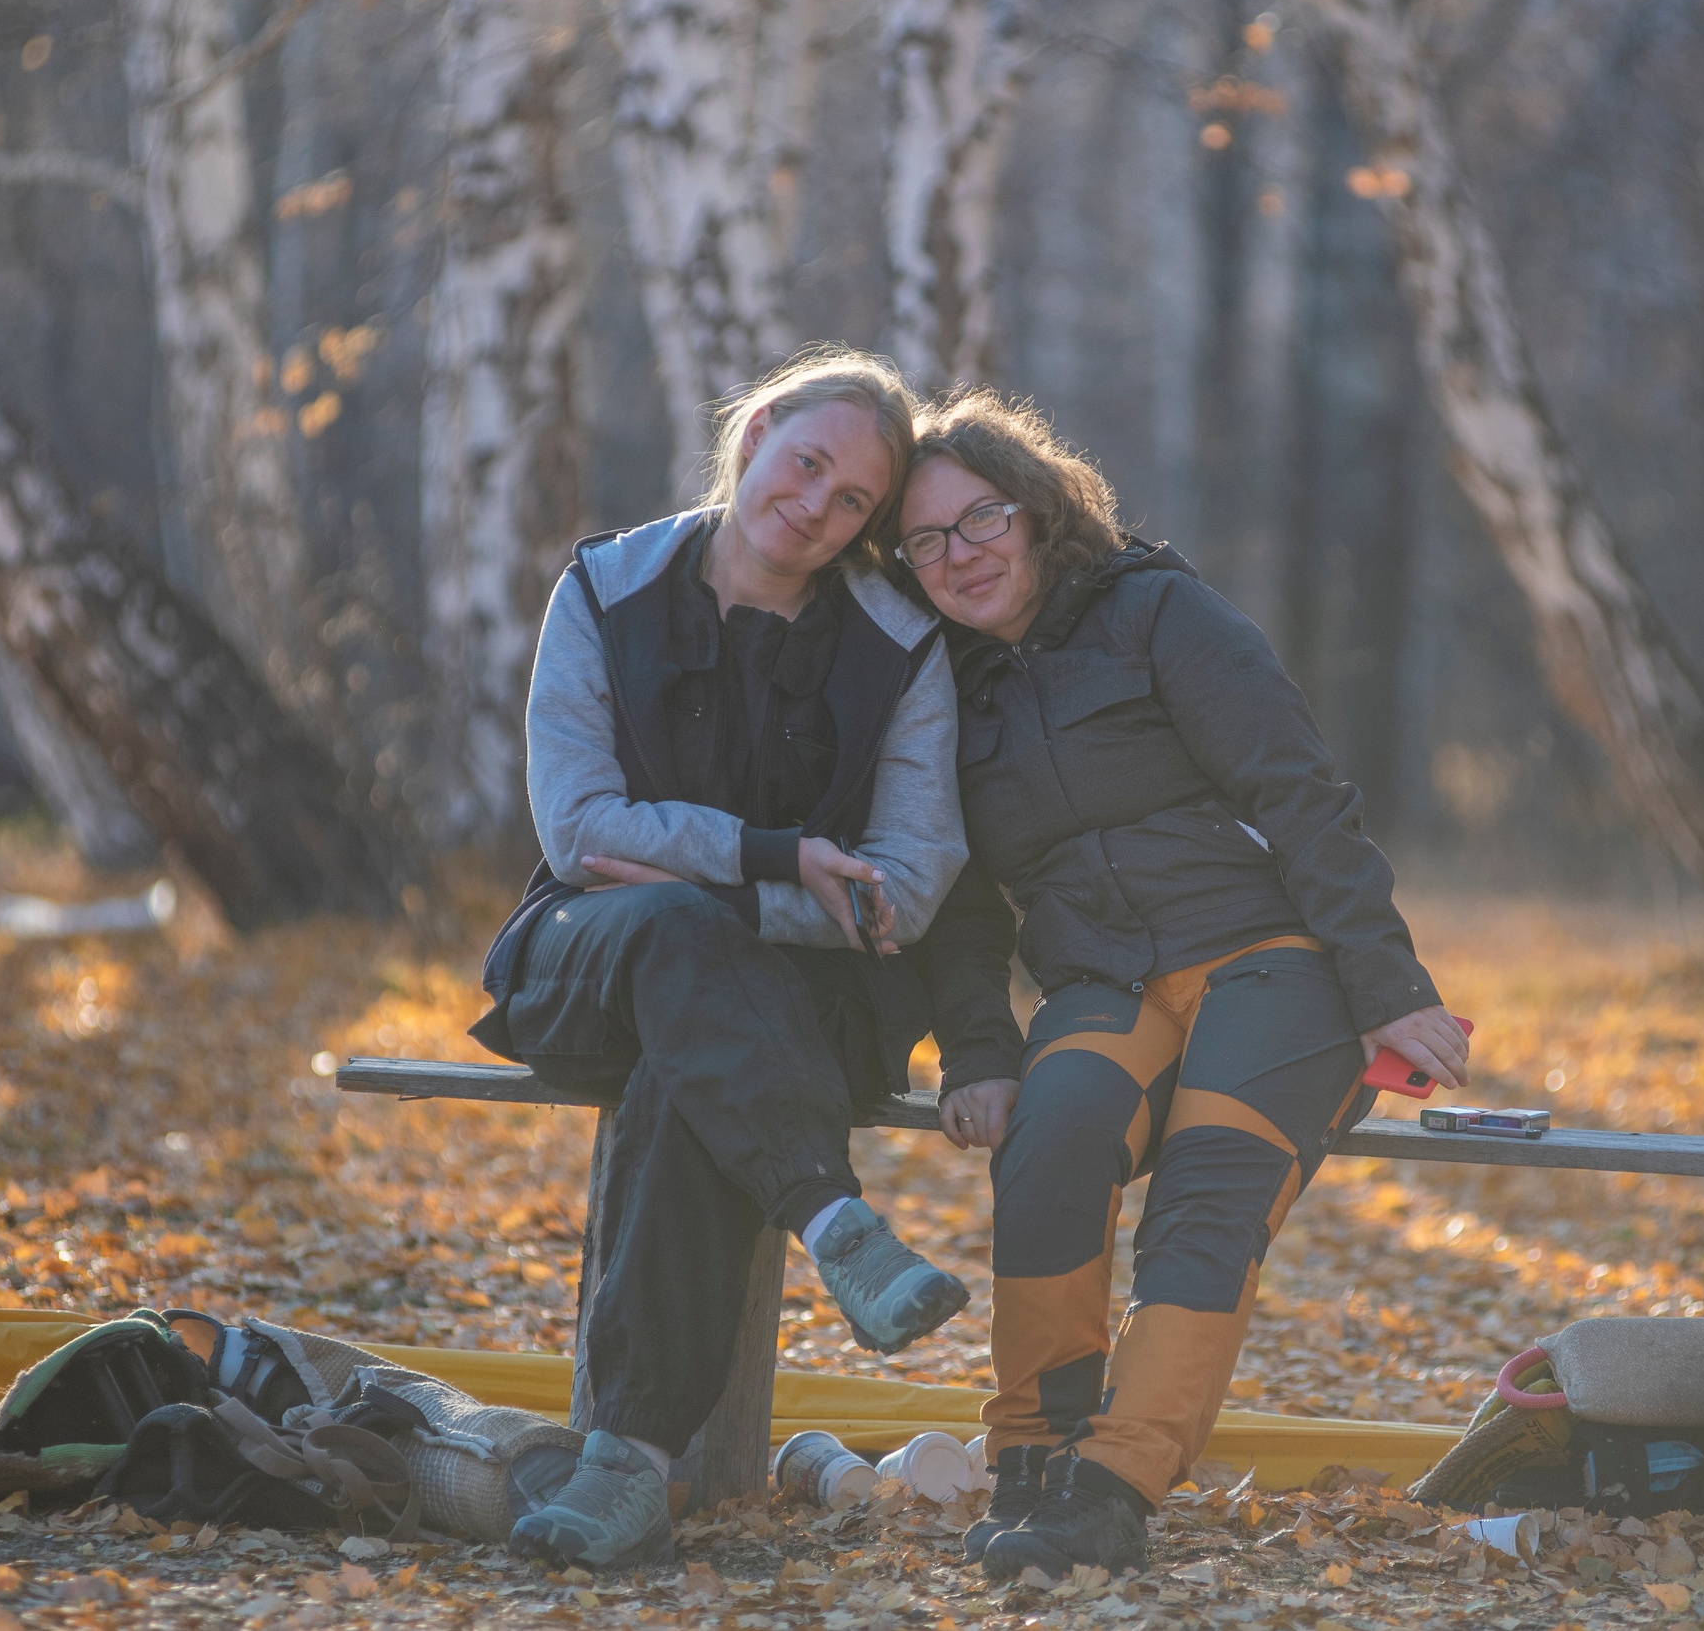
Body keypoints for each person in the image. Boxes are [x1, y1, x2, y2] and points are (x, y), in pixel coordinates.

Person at [890, 390, 1471, 1580]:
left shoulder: (1158, 611)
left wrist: (1385, 981)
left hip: (1274, 965)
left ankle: (1111, 1488)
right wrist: (981, 1054)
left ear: (1041, 509)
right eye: (927, 539)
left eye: (981, 517)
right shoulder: (942, 684)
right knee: (1048, 1145)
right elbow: (957, 903)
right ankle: (1034, 1463)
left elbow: (1298, 790)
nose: (960, 555)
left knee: (1206, 1193)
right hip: (1103, 980)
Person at [470, 350, 1018, 1570]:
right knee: (675, 945)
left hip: (799, 993)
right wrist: (775, 855)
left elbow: (913, 883)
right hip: (588, 958)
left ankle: (624, 1466)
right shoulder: (605, 588)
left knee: (691, 1046)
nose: (815, 508)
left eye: (852, 503)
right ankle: (834, 1221)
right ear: (758, 429)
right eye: (807, 463)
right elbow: (577, 828)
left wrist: (722, 900)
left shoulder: (899, 643)